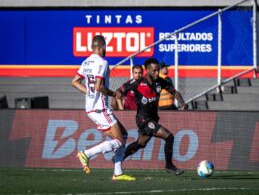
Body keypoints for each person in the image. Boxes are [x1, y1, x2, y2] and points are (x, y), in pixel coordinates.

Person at [71, 35, 135, 181]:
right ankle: (86, 154)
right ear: (102, 47)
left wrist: (88, 91)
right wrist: (115, 94)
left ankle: (118, 173)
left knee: (123, 136)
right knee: (119, 141)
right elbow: (99, 87)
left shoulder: (86, 62)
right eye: (106, 47)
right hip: (100, 108)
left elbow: (74, 82)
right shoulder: (102, 62)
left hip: (91, 107)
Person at [116, 58, 188, 175]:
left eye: (157, 70)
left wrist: (182, 103)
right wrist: (118, 97)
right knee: (169, 137)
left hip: (153, 118)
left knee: (141, 144)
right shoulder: (138, 82)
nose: (156, 73)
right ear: (147, 70)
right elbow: (120, 90)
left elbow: (174, 92)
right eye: (154, 71)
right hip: (143, 119)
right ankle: (169, 166)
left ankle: (120, 157)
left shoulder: (160, 82)